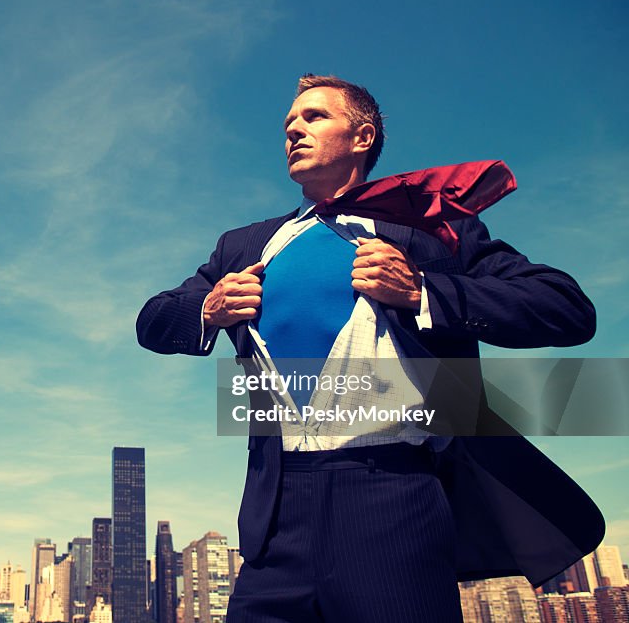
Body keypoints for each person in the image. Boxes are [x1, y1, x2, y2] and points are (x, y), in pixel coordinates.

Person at [136, 74, 603, 622]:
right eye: (289, 123)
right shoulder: (243, 245)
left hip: (395, 499)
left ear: (361, 138)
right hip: (275, 515)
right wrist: (206, 309)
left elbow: (567, 307)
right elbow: (153, 322)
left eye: (313, 117)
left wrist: (423, 291)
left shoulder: (434, 231)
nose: (293, 130)